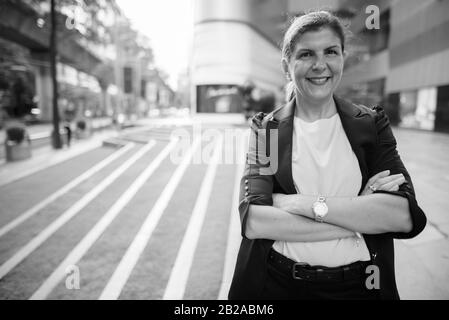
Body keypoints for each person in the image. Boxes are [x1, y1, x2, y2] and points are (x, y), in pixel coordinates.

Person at [228, 10, 427, 300]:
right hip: (279, 284)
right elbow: (256, 221)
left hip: (359, 286)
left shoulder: (371, 125)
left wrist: (297, 204)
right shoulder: (268, 129)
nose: (320, 65)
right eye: (306, 54)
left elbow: (404, 217)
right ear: (287, 65)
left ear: (342, 57)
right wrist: (360, 213)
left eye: (331, 52)